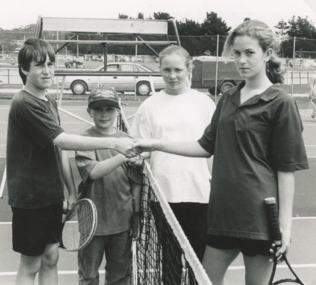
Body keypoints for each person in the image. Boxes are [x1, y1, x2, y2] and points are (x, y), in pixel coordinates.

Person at [132, 20, 309, 285]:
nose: (242, 60)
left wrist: (284, 227)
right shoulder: (228, 98)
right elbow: (204, 146)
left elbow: (286, 170)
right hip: (221, 214)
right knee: (203, 280)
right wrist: (154, 144)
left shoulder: (281, 102)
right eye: (237, 53)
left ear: (267, 54)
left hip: (259, 218)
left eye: (250, 53)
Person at [6, 38, 138, 285]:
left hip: (51, 195)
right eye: (39, 65)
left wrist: (68, 191)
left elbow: (58, 151)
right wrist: (114, 143)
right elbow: (63, 141)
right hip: (31, 196)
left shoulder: (49, 101)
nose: (47, 71)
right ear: (24, 69)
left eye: (51, 64)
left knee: (50, 257)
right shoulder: (24, 103)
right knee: (31, 263)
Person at [131, 45, 216, 274]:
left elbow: (214, 148)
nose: (172, 75)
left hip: (200, 194)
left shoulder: (204, 103)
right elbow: (142, 148)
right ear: (159, 69)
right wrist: (139, 158)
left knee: (198, 265)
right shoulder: (149, 106)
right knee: (170, 265)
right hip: (164, 196)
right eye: (166, 69)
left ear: (189, 68)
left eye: (178, 69)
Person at [75, 86, 142, 285]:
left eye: (109, 109)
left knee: (120, 277)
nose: (104, 114)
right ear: (90, 112)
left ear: (117, 111)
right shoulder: (84, 141)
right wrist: (124, 155)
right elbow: (93, 172)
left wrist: (136, 214)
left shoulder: (128, 140)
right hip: (92, 223)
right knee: (88, 276)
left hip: (122, 221)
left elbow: (136, 182)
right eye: (98, 109)